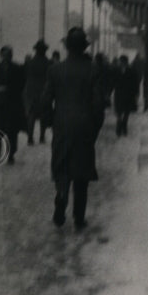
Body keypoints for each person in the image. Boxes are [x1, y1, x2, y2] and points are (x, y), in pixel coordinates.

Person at [41, 26, 106, 230]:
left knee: (62, 166)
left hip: (62, 125)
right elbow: (98, 104)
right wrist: (95, 127)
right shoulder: (93, 70)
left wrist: (52, 122)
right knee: (81, 172)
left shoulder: (55, 70)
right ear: (84, 47)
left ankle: (61, 199)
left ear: (67, 47)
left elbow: (45, 101)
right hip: (85, 126)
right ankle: (79, 216)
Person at [0, 45, 26, 164]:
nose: (7, 57)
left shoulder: (17, 68)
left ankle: (11, 154)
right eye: (5, 55)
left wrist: (9, 89)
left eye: (9, 55)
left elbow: (22, 84)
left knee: (12, 131)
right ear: (1, 56)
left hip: (12, 103)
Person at [22, 40, 50, 146]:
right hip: (43, 91)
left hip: (30, 91)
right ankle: (42, 136)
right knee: (43, 116)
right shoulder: (48, 63)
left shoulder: (30, 63)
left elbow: (24, 76)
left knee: (31, 115)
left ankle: (30, 137)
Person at [113, 54, 140, 137]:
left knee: (127, 111)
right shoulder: (116, 71)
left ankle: (124, 124)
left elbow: (136, 83)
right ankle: (119, 125)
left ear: (126, 62)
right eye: (120, 62)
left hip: (128, 94)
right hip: (118, 94)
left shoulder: (132, 71)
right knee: (118, 111)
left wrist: (136, 93)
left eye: (122, 62)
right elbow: (112, 81)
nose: (121, 63)